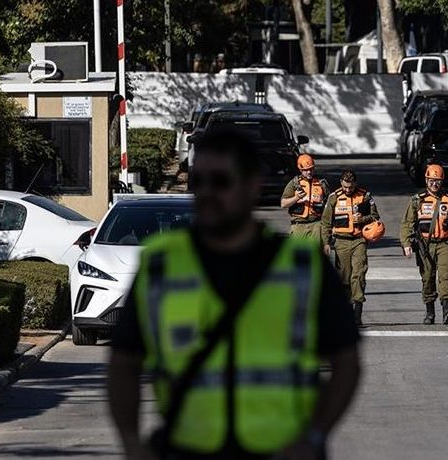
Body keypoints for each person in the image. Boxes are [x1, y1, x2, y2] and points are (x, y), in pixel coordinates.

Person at [107, 127, 361, 460]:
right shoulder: (161, 265)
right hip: (188, 451)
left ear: (252, 184)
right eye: (200, 182)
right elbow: (124, 364)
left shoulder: (303, 267)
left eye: (222, 181)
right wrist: (131, 444)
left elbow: (347, 364)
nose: (208, 192)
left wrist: (314, 436)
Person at [399, 164, 448, 325]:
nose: (434, 184)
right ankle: (430, 312)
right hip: (425, 245)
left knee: (445, 276)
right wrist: (406, 244)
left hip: (445, 243)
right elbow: (407, 223)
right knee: (427, 278)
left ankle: (447, 310)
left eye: (437, 181)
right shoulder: (417, 200)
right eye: (431, 181)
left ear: (442, 181)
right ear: (426, 180)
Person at [320, 169, 380, 327]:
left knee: (358, 274)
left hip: (359, 240)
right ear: (341, 183)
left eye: (350, 187)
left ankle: (357, 314)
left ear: (355, 184)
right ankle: (345, 312)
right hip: (341, 242)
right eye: (345, 187)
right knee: (344, 279)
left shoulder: (365, 196)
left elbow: (375, 217)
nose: (348, 190)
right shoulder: (334, 198)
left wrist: (363, 218)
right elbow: (326, 223)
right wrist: (326, 243)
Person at [280, 154, 329, 240]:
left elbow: (330, 205)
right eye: (306, 170)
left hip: (316, 225)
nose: (309, 172)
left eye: (311, 169)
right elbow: (283, 204)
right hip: (299, 225)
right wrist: (296, 198)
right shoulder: (294, 183)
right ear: (300, 170)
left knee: (316, 252)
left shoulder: (322, 183)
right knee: (298, 252)